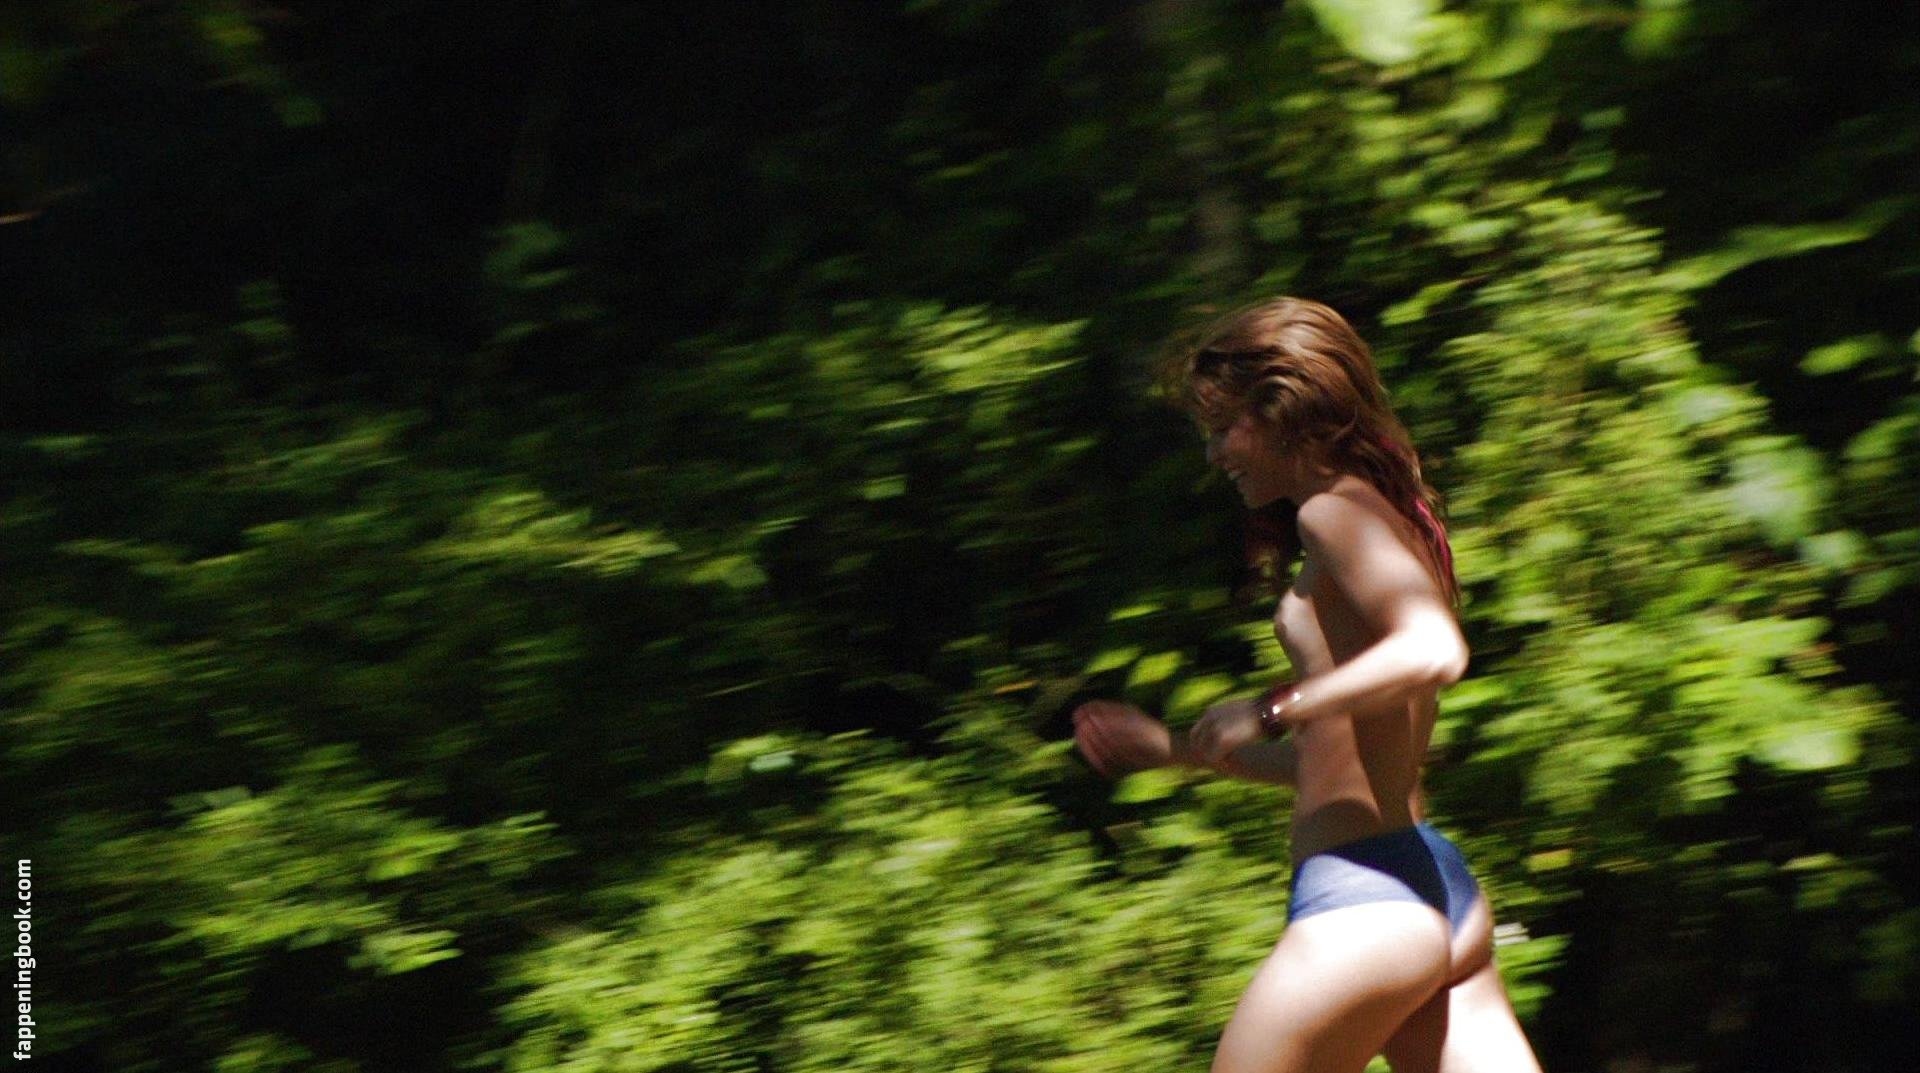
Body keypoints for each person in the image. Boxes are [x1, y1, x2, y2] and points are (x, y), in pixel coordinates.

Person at [1072, 297, 1544, 1073]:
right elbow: (1339, 764)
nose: (1214, 453)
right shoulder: (1386, 512)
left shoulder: (1333, 513)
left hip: (1364, 905)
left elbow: (1433, 648)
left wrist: (1270, 708)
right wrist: (1177, 748)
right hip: (1430, 884)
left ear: (1282, 409)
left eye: (1224, 428)